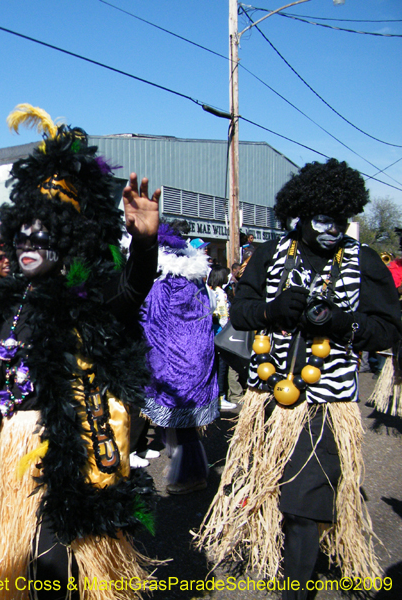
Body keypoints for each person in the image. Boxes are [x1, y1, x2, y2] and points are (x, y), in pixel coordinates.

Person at [0, 104, 160, 598]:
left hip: (71, 455)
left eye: (46, 232)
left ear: (71, 239)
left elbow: (130, 291)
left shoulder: (88, 293)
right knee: (30, 572)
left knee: (61, 568)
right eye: (23, 231)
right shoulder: (1, 300)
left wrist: (144, 245)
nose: (29, 241)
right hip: (9, 455)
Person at [196, 159, 401, 598]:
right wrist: (274, 311)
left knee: (305, 504)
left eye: (340, 220)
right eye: (324, 219)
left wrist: (344, 324)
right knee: (274, 494)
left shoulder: (363, 261)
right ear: (302, 214)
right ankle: (278, 552)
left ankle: (297, 591)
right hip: (267, 400)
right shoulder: (269, 255)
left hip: (326, 405)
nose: (332, 229)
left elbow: (388, 328)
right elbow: (240, 313)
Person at [139, 224, 219, 495]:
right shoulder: (194, 277)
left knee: (178, 420)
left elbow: (152, 320)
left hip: (173, 359)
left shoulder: (163, 280)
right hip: (195, 355)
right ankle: (183, 468)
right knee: (180, 421)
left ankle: (190, 476)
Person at [208, 264, 238, 412]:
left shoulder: (209, 291)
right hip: (220, 334)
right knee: (221, 366)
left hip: (211, 333)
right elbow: (223, 316)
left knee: (215, 366)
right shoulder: (220, 293)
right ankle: (220, 397)